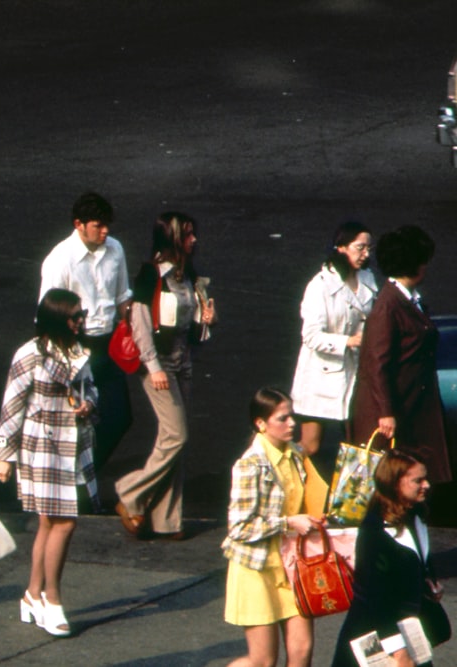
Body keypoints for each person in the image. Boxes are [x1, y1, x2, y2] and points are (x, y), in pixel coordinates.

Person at [0, 288, 99, 637]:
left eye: (81, 315)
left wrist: (88, 405)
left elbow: (91, 390)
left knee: (49, 524)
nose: (81, 322)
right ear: (58, 319)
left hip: (73, 443)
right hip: (41, 446)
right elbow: (12, 406)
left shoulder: (79, 351)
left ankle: (32, 594)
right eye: (75, 317)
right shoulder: (31, 354)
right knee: (64, 523)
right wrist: (3, 456)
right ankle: (52, 599)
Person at [113, 212, 216, 540]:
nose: (194, 240)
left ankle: (167, 520)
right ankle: (129, 494)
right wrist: (153, 365)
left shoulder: (188, 275)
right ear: (172, 238)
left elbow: (192, 324)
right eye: (187, 235)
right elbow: (140, 322)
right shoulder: (151, 275)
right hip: (158, 365)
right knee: (176, 436)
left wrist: (207, 320)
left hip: (182, 362)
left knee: (174, 441)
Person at [222, 388, 322, 667]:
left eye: (292, 416)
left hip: (292, 566)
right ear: (261, 424)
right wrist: (288, 523)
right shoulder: (250, 464)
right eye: (283, 418)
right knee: (263, 662)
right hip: (257, 570)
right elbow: (239, 528)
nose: (292, 423)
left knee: (302, 652)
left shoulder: (296, 455)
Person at [39, 192, 132, 473]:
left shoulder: (115, 250)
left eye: (107, 225)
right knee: (77, 422)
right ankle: (75, 486)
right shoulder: (59, 259)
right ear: (79, 224)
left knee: (120, 417)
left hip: (108, 344)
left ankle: (85, 474)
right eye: (98, 225)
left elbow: (123, 297)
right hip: (76, 347)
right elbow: (48, 313)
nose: (105, 231)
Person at [331, 450, 451, 666]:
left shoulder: (415, 515)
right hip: (376, 635)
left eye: (426, 478)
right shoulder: (374, 532)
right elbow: (373, 598)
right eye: (418, 480)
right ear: (395, 483)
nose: (427, 485)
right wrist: (399, 652)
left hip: (409, 628)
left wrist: (427, 583)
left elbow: (416, 561)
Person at [350, 225, 450, 483]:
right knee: (390, 478)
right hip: (391, 412)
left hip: (410, 405)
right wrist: (386, 411)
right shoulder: (389, 305)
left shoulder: (407, 299)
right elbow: (377, 363)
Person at [290, 222, 378, 478]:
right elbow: (311, 336)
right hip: (320, 379)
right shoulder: (320, 285)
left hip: (354, 374)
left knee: (356, 445)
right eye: (359, 247)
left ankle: (347, 504)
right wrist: (348, 341)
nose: (366, 254)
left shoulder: (367, 279)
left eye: (368, 248)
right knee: (310, 445)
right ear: (341, 248)